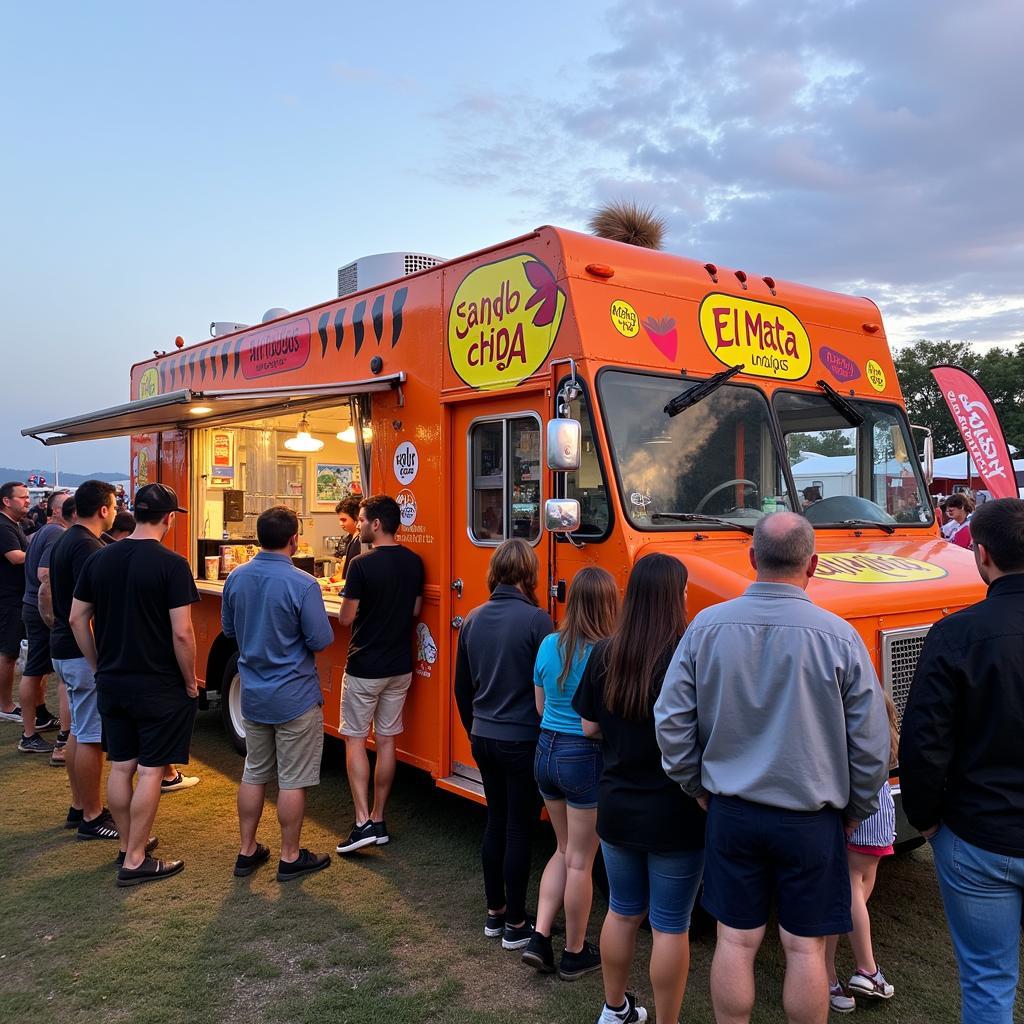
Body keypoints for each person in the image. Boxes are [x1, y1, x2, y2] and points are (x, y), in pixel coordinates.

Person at [655, 512, 889, 1024]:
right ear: (814, 564)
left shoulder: (705, 627)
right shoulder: (840, 636)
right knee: (806, 950)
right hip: (811, 818)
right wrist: (858, 809)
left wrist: (694, 784)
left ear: (752, 559)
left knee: (735, 941)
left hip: (731, 811)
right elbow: (872, 745)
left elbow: (670, 720)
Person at [900, 497, 1024, 1023]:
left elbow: (923, 742)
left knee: (988, 981)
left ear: (982, 555)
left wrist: (926, 819)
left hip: (979, 835)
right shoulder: (956, 633)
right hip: (980, 836)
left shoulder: (956, 633)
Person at [575, 554, 705, 1024]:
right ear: (674, 597)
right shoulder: (688, 653)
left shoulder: (606, 651)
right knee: (671, 925)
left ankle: (614, 1009)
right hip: (678, 810)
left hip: (617, 805)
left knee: (622, 911)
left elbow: (588, 725)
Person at [70, 482, 200, 886]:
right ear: (167, 518)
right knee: (150, 772)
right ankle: (136, 859)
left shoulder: (100, 559)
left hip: (113, 680)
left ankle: (128, 845)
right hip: (158, 683)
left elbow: (77, 618)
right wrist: (190, 683)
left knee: (121, 765)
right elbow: (182, 634)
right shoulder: (172, 564)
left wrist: (97, 664)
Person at [222, 505, 335, 881]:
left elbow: (228, 631)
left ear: (257, 538)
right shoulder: (303, 584)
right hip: (295, 696)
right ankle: (290, 856)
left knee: (254, 772)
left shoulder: (236, 578)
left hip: (253, 692)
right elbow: (320, 638)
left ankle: (246, 850)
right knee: (292, 780)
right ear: (294, 539)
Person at [454, 539, 553, 949]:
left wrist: (474, 728)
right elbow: (551, 686)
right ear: (529, 574)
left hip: (483, 735)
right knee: (518, 827)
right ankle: (516, 923)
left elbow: (461, 688)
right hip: (522, 739)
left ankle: (494, 913)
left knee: (495, 821)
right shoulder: (537, 620)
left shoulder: (473, 619)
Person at [523, 566, 619, 980]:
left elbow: (541, 708)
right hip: (585, 758)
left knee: (562, 850)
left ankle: (540, 936)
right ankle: (575, 951)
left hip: (545, 752)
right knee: (581, 860)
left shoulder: (548, 643)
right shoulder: (608, 650)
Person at [336, 494, 424, 854]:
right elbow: (416, 607)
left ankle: (361, 823)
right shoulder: (414, 562)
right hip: (400, 666)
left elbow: (345, 617)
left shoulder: (360, 564)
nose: (358, 524)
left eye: (360, 518)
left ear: (376, 524)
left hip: (364, 666)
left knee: (355, 739)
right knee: (387, 741)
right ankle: (380, 817)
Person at [49, 481, 118, 840]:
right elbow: (84, 613)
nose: (117, 510)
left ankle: (79, 805)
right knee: (92, 735)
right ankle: (93, 815)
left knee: (79, 730)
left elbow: (49, 593)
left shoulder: (65, 539)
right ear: (104, 510)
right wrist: (95, 662)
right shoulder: (88, 547)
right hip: (79, 650)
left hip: (62, 646)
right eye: (115, 504)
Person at [825, 691, 901, 1012]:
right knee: (853, 890)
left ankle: (831, 976)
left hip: (854, 811)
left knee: (846, 894)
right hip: (874, 813)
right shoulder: (881, 728)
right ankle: (866, 969)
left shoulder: (841, 732)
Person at [16, 488, 72, 753]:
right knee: (35, 671)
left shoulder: (43, 532)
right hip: (40, 611)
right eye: (69, 506)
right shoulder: (57, 533)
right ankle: (29, 736)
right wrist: (52, 617)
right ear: (57, 511)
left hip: (32, 607)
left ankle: (37, 722)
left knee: (38, 671)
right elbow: (45, 576)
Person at [0, 481, 31, 722]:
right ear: (6, 501)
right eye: (23, 497)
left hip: (13, 597)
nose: (27, 500)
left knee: (10, 651)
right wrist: (42, 550)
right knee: (8, 653)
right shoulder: (3, 526)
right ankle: (5, 705)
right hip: (9, 599)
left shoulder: (14, 525)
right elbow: (15, 557)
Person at [334, 495, 362, 576]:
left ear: (356, 518)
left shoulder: (361, 542)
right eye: (340, 520)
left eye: (344, 520)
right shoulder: (347, 539)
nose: (341, 524)